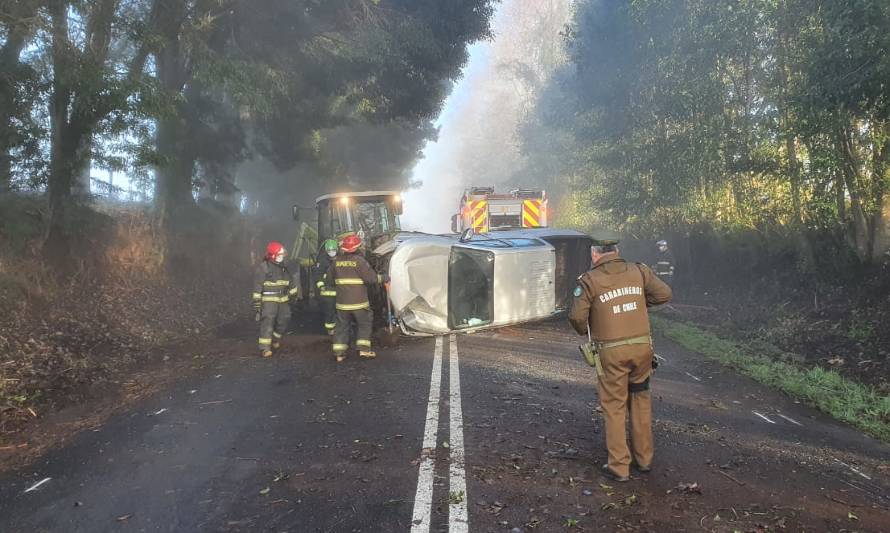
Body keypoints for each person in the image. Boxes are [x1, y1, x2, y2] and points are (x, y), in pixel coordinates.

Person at [568, 238, 672, 482]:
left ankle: (619, 467)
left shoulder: (589, 281)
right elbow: (664, 294)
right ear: (617, 251)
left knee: (614, 407)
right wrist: (639, 302)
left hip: (612, 354)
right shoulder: (639, 271)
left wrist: (588, 326)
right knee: (640, 401)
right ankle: (644, 460)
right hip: (643, 351)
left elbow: (576, 318)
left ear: (594, 254)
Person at [326, 234, 383, 362]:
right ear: (357, 247)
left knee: (341, 327)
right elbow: (372, 279)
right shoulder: (360, 261)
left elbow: (329, 281)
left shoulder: (336, 262)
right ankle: (364, 350)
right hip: (359, 303)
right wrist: (384, 278)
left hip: (342, 304)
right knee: (364, 324)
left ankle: (339, 353)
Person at [252, 241, 300, 357]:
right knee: (268, 322)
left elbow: (291, 283)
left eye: (282, 255)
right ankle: (265, 348)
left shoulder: (284, 267)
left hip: (283, 300)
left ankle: (275, 338)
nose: (281, 257)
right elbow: (257, 288)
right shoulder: (263, 269)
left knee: (284, 319)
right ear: (272, 256)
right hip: (269, 301)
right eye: (279, 255)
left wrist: (293, 297)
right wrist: (257, 305)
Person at [313, 239, 339, 335]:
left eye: (333, 250)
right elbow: (317, 275)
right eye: (329, 251)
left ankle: (340, 328)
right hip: (327, 291)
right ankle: (330, 330)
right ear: (326, 251)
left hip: (340, 290)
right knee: (329, 311)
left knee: (341, 311)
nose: (331, 253)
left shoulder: (341, 259)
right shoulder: (322, 261)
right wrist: (321, 286)